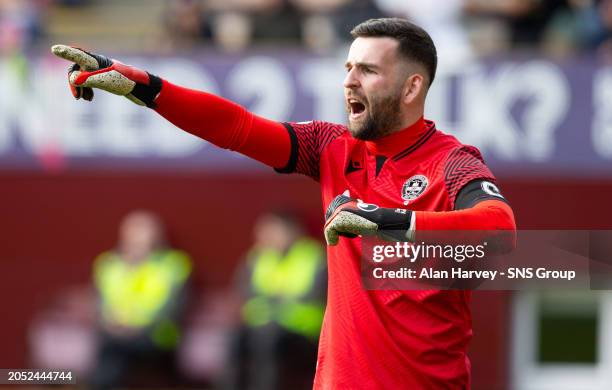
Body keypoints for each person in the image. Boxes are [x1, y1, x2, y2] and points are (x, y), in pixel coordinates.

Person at [52, 17, 516, 389]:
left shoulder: (452, 162)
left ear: (412, 88)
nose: (350, 82)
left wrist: (389, 220)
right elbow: (236, 127)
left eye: (368, 71)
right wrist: (145, 87)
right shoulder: (332, 146)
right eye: (348, 69)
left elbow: (499, 232)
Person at [90, 210, 192, 390]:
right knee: (109, 352)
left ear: (156, 237)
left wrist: (137, 327)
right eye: (132, 235)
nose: (137, 241)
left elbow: (173, 308)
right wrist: (112, 323)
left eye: (143, 235)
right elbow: (99, 304)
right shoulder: (108, 264)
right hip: (115, 333)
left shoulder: (173, 264)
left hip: (157, 335)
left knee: (115, 354)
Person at [227, 210, 326, 390]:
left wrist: (272, 301)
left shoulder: (315, 257)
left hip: (303, 334)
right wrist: (279, 300)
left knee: (269, 341)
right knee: (234, 339)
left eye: (272, 231)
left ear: (293, 231)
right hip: (261, 327)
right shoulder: (257, 258)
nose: (265, 237)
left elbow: (316, 296)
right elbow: (244, 294)